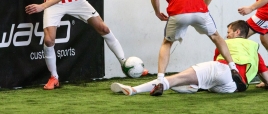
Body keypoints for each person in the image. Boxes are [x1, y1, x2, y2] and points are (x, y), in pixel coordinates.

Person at [147, 0, 245, 96]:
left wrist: (157, 13)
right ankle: (233, 68)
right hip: (200, 10)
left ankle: (160, 81)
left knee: (167, 43)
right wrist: (201, 9)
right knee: (216, 37)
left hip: (178, 12)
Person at [110, 20, 268, 96]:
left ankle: (133, 90)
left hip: (222, 70)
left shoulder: (225, 44)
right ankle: (190, 85)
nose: (226, 36)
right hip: (231, 89)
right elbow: (266, 77)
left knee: (175, 78)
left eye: (229, 32)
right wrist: (263, 84)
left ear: (237, 33)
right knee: (203, 83)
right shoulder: (255, 51)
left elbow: (216, 65)